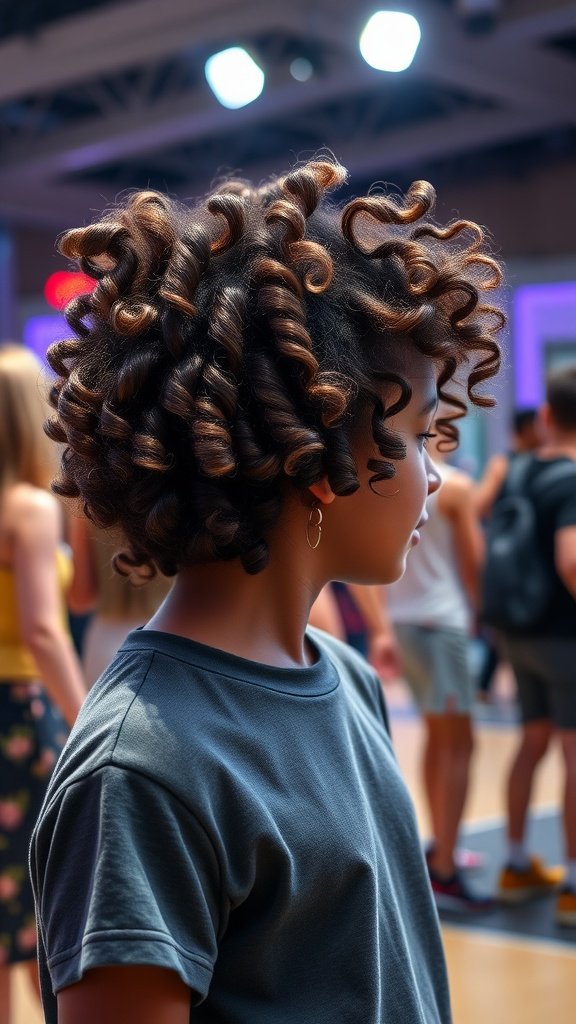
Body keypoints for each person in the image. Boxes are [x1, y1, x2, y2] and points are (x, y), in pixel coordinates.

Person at [30, 158, 502, 1023]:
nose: (438, 475)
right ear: (323, 453)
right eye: (422, 432)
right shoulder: (140, 773)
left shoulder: (345, 675)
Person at [0, 343, 85, 1024]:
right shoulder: (28, 508)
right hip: (21, 715)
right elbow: (43, 631)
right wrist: (86, 716)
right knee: (40, 900)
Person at [385, 431, 491, 911]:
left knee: (437, 737)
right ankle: (445, 866)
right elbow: (476, 565)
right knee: (460, 743)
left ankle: (441, 846)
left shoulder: (396, 480)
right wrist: (485, 616)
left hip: (406, 621)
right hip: (441, 622)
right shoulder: (456, 487)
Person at [495, 367, 576, 926]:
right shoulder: (573, 479)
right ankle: (573, 881)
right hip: (563, 637)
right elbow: (571, 559)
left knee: (531, 743)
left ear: (545, 416)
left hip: (516, 631)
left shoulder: (517, 470)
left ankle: (517, 861)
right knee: (575, 756)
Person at [67, 517, 172, 686]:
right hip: (169, 636)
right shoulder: (184, 494)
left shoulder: (86, 501)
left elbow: (80, 599)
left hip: (105, 645)